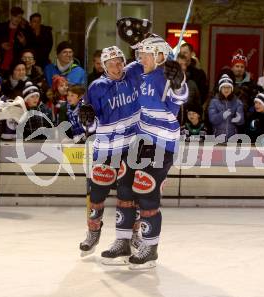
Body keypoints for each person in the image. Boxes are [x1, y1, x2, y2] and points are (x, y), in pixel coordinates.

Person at [124, 35, 188, 269]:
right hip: (142, 141)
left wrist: (179, 81)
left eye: (146, 53)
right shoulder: (142, 74)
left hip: (162, 145)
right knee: (131, 189)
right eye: (141, 53)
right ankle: (134, 236)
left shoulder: (166, 75)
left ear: (160, 55)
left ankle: (150, 248)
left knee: (147, 191)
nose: (141, 57)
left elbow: (181, 96)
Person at [79, 46, 143, 261]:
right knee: (96, 193)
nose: (116, 66)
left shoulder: (134, 72)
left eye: (119, 61)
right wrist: (87, 120)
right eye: (111, 63)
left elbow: (153, 59)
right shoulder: (97, 87)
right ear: (103, 67)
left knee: (128, 193)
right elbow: (90, 122)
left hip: (132, 147)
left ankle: (130, 235)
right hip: (106, 150)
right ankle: (93, 232)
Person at [208, 74, 244, 142]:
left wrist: (238, 119)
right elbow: (212, 119)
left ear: (232, 89)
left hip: (233, 137)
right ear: (220, 89)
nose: (226, 89)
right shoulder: (214, 102)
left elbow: (241, 121)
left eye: (228, 87)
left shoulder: (237, 102)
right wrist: (222, 115)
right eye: (224, 87)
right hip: (218, 136)